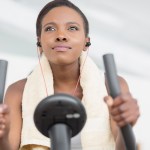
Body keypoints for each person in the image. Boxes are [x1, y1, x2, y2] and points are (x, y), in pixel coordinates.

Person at [0, 0, 140, 150]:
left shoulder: (112, 86)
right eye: (50, 28)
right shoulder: (17, 92)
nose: (61, 35)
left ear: (87, 42)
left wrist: (126, 127)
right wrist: (3, 135)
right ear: (39, 42)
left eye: (72, 28)